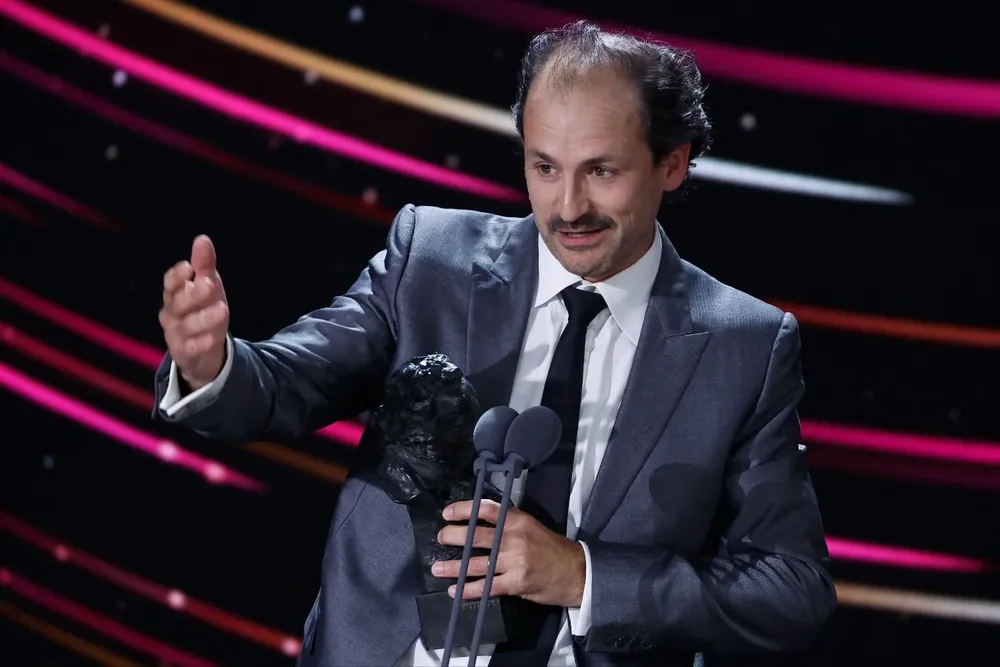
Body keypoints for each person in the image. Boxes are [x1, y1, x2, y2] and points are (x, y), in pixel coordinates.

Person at [154, 20, 836, 667]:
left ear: (673, 163)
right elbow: (285, 383)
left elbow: (791, 590)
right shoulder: (431, 260)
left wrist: (582, 574)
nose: (567, 207)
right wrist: (211, 363)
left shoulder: (742, 345)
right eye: (544, 167)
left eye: (602, 171)